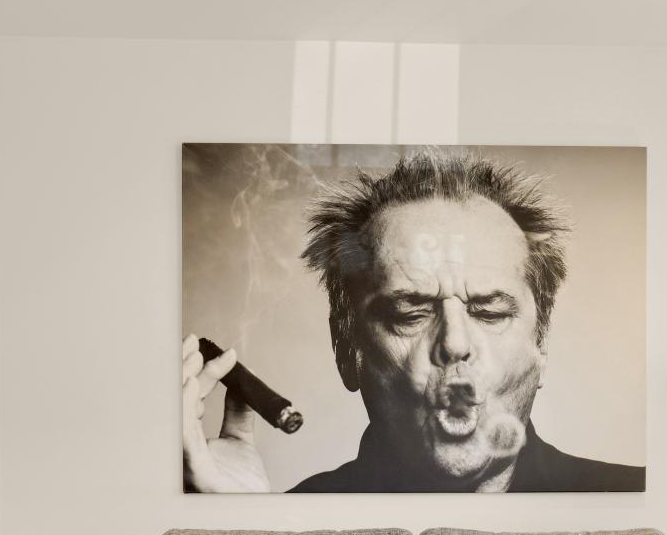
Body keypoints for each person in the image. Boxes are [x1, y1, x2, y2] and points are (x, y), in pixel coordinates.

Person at [182, 151, 643, 493]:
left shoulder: (622, 502)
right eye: (409, 313)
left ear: (541, 344)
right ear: (347, 351)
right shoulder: (293, 518)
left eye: (490, 311)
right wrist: (241, 525)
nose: (455, 343)